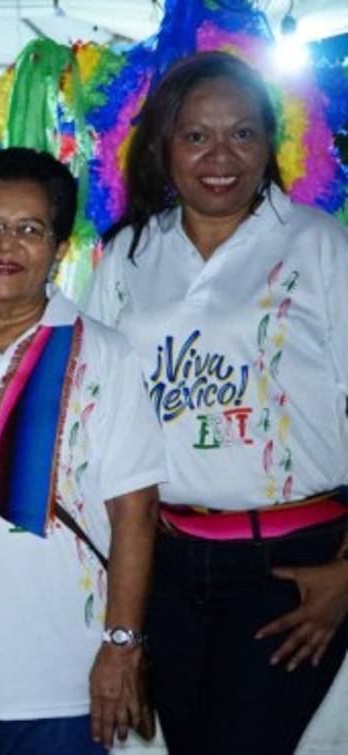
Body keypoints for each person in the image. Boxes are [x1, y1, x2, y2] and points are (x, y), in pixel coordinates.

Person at [88, 51, 348, 755]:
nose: (220, 155)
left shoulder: (321, 244)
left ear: (269, 143)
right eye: (196, 135)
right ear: (164, 145)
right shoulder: (129, 254)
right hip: (164, 563)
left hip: (291, 567)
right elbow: (94, 411)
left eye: (242, 133)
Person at [0, 147, 166, 754]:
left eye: (29, 230)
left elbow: (136, 513)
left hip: (68, 684)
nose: (6, 245)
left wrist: (121, 645)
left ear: (60, 248)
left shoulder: (106, 355)